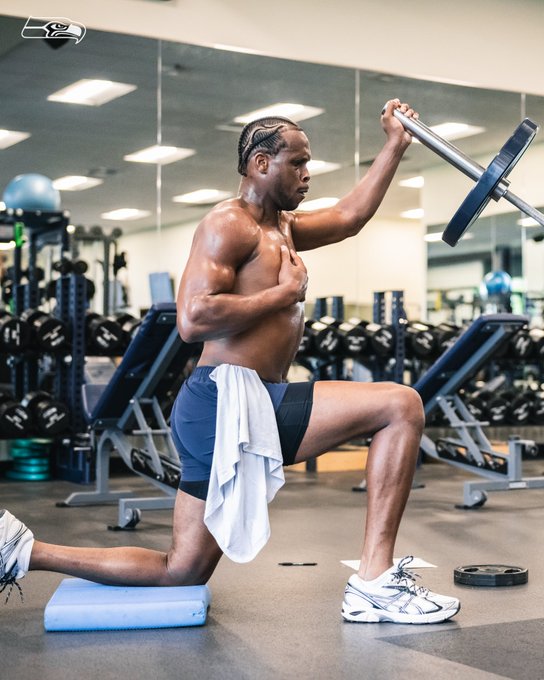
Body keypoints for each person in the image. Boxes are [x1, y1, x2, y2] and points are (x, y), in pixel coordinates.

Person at [1, 99, 460, 624]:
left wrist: (395, 144)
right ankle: (374, 581)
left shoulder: (280, 227)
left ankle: (20, 551)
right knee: (401, 406)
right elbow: (192, 320)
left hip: (223, 407)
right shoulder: (229, 223)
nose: (308, 174)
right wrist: (282, 295)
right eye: (298, 163)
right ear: (261, 164)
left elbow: (351, 217)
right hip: (229, 398)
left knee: (183, 569)